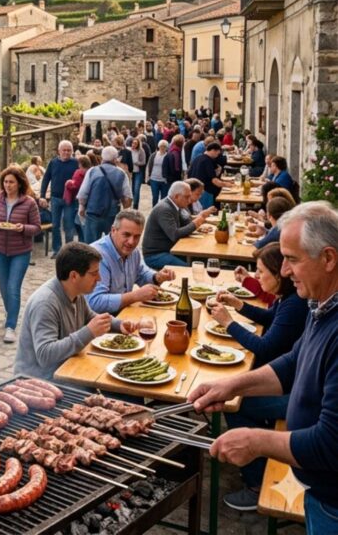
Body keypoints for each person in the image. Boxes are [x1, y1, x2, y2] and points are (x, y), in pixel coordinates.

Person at [189, 202, 338, 531]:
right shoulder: (322, 303)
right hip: (322, 493)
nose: (284, 271)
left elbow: (331, 443)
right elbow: (293, 362)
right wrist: (232, 386)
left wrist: (256, 442)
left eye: (292, 259)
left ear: (328, 258)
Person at [207, 241, 308, 509]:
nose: (257, 277)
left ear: (279, 274)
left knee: (237, 404)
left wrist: (228, 322)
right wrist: (240, 305)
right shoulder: (287, 298)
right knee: (236, 393)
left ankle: (256, 482)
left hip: (296, 394)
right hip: (292, 383)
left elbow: (265, 346)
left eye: (261, 272)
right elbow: (268, 319)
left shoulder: (296, 304)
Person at [13, 243, 136, 380]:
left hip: (67, 368)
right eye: (94, 273)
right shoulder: (45, 303)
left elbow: (91, 318)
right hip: (39, 382)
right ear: (74, 276)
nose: (99, 278)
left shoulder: (76, 292)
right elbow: (45, 355)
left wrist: (119, 325)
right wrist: (88, 332)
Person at [0, 166, 42, 343]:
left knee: (13, 287)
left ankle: (10, 326)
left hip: (21, 251)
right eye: (5, 182)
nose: (8, 185)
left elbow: (37, 227)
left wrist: (23, 228)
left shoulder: (29, 203)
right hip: (0, 250)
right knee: (3, 288)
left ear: (19, 183)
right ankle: (11, 313)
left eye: (11, 182)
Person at [88, 210, 177, 314]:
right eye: (126, 235)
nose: (131, 242)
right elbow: (95, 303)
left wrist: (157, 277)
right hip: (101, 325)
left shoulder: (133, 252)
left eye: (137, 236)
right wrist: (135, 296)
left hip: (124, 315)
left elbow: (142, 274)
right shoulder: (98, 256)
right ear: (113, 230)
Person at [141, 181, 213, 269]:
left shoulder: (177, 205)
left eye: (190, 196)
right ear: (176, 196)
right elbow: (174, 235)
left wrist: (198, 222)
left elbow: (186, 223)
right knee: (189, 268)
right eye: (187, 197)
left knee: (201, 260)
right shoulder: (165, 209)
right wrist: (196, 223)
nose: (189, 199)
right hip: (156, 255)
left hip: (171, 249)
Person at [78, 147, 132, 243]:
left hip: (93, 213)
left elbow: (83, 194)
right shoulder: (121, 173)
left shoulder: (92, 171)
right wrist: (124, 213)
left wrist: (82, 207)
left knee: (91, 246)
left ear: (102, 157)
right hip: (112, 214)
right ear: (115, 159)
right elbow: (127, 198)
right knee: (112, 245)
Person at [40, 141, 79, 255]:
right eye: (64, 150)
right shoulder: (53, 162)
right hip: (55, 198)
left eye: (69, 150)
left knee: (68, 225)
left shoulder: (76, 163)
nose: (66, 152)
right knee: (55, 225)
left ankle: (68, 251)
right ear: (59, 151)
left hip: (70, 199)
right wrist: (42, 196)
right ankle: (57, 250)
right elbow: (46, 179)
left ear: (72, 151)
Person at [188, 141, 233, 210]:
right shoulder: (207, 161)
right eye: (217, 154)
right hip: (206, 191)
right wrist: (229, 185)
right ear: (213, 150)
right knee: (207, 211)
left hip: (194, 189)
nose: (217, 156)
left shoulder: (198, 158)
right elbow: (214, 181)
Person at [65, 154, 92, 240]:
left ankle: (81, 243)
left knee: (78, 223)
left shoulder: (78, 172)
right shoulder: (92, 171)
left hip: (78, 200)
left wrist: (68, 183)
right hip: (89, 201)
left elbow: (75, 186)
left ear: (80, 163)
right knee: (82, 224)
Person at [146, 140, 170, 206]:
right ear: (158, 146)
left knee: (163, 198)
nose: (162, 148)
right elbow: (149, 166)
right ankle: (154, 211)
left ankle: (162, 211)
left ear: (166, 147)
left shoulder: (168, 156)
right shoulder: (153, 155)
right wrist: (148, 177)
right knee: (155, 197)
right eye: (161, 146)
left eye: (164, 146)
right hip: (154, 179)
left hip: (164, 180)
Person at [129, 137, 147, 208]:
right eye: (133, 143)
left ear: (138, 144)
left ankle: (135, 206)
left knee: (136, 189)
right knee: (131, 189)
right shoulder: (129, 150)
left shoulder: (141, 151)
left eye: (135, 143)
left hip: (138, 172)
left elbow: (143, 162)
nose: (133, 144)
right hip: (130, 172)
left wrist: (136, 163)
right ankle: (130, 204)